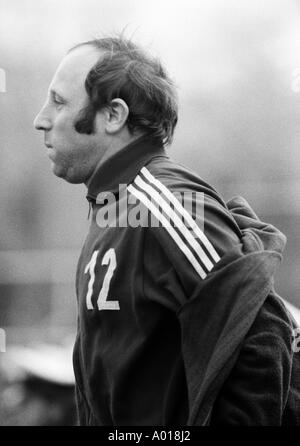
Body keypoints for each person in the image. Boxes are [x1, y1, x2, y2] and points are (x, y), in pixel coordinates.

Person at [34, 36, 300, 426]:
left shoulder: (164, 202)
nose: (41, 118)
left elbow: (266, 329)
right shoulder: (115, 204)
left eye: (59, 101)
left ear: (113, 115)